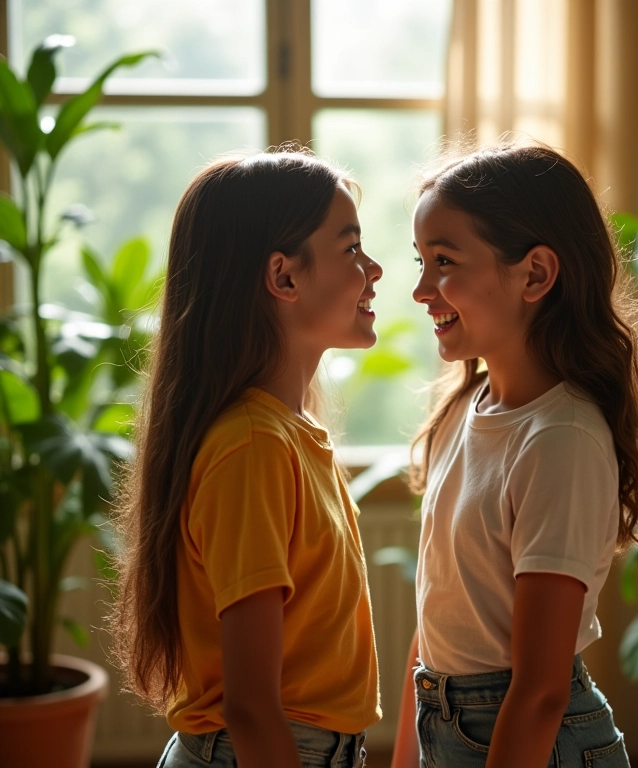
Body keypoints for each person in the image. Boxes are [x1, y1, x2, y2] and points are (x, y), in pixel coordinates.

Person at [392, 143, 638, 768]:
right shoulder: (464, 410)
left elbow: (540, 692)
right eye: (421, 261)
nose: (420, 290)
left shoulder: (560, 438)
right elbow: (436, 621)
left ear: (536, 274)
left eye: (444, 262)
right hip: (451, 721)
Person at [110, 148, 383, 768]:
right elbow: (253, 708)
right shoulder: (253, 446)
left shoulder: (287, 432)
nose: (375, 269)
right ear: (284, 277)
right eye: (350, 249)